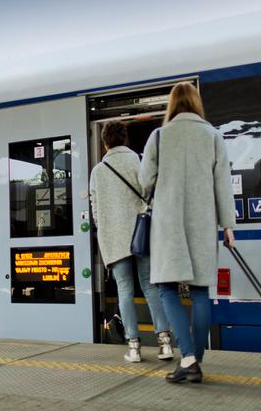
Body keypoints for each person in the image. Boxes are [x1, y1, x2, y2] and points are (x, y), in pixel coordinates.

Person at [139, 82, 236, 383]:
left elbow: (145, 181)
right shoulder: (213, 135)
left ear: (171, 105)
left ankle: (190, 358)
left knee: (166, 288)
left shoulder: (159, 136)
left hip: (168, 225)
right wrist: (228, 226)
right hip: (203, 223)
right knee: (200, 291)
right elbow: (223, 184)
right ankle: (195, 358)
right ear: (195, 103)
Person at [90, 121, 173, 363]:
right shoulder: (138, 160)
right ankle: (165, 343)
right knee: (149, 287)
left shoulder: (98, 171)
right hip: (141, 234)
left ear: (105, 142)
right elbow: (151, 192)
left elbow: (96, 211)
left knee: (124, 291)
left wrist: (106, 228)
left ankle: (134, 347)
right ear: (125, 139)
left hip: (114, 239)